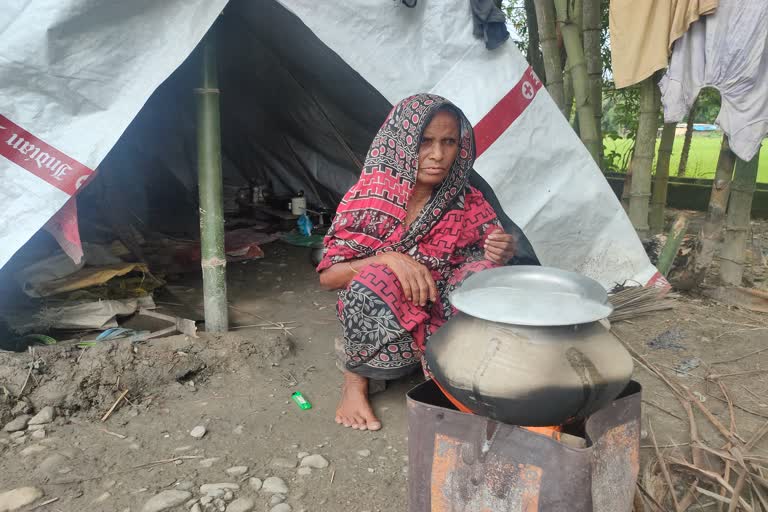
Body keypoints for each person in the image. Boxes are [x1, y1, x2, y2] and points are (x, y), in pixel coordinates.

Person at [317, 94, 517, 431]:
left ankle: (458, 371)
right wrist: (389, 259)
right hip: (388, 311)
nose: (438, 155)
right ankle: (355, 382)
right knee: (373, 278)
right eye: (425, 141)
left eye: (449, 142)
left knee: (488, 276)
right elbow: (329, 276)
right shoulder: (369, 197)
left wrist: (500, 251)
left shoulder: (466, 199)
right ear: (403, 142)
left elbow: (485, 253)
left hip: (441, 307)